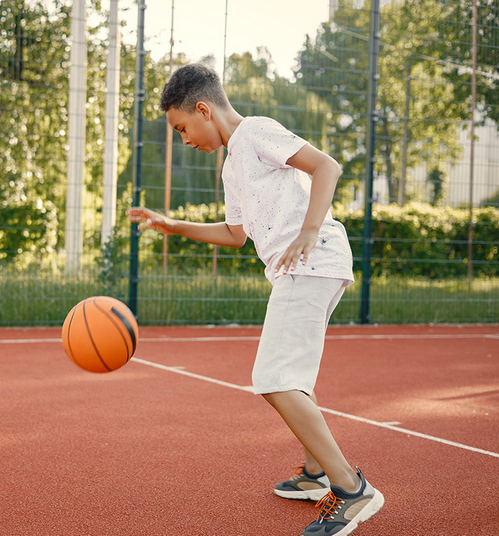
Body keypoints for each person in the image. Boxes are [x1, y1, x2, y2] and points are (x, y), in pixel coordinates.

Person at [126, 64, 384, 536]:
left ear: (203, 109)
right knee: (293, 374)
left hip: (310, 262)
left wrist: (308, 231)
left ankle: (351, 489)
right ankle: (314, 474)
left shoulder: (257, 132)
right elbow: (235, 234)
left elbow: (327, 166)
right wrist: (173, 224)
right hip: (307, 267)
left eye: (182, 127)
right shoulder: (231, 164)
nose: (184, 139)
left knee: (272, 377)